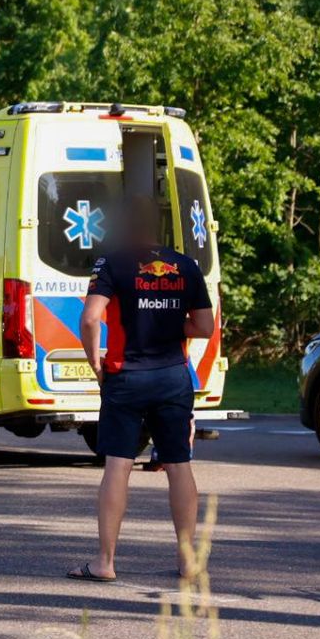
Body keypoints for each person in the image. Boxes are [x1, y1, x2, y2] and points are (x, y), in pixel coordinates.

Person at [68, 196, 215, 582]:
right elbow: (204, 327)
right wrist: (169, 326)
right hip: (172, 376)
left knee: (118, 465)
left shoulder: (111, 263)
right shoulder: (186, 266)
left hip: (126, 376)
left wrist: (96, 363)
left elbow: (89, 320)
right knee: (179, 465)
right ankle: (188, 562)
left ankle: (105, 562)